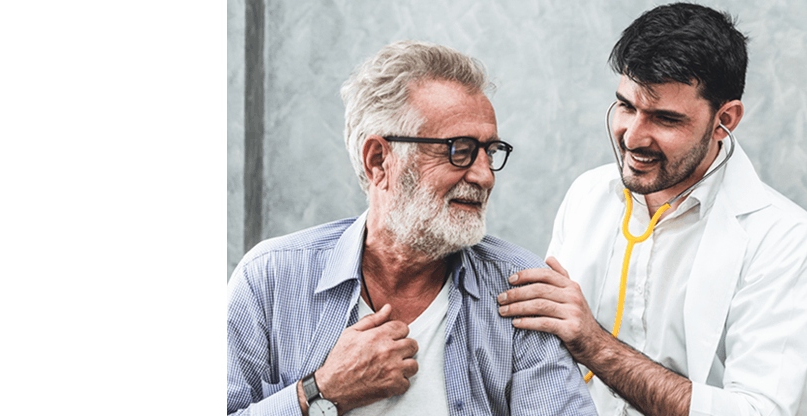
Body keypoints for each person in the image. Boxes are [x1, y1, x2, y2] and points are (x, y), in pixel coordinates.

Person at [227, 40, 595, 415]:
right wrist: (322, 391)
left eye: (491, 151)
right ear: (378, 160)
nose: (485, 176)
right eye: (459, 149)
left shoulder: (519, 292)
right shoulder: (270, 278)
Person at [497, 3, 807, 416]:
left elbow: (760, 411)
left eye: (665, 118)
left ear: (724, 120)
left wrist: (594, 344)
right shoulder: (588, 194)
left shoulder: (785, 240)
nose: (634, 137)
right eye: (626, 106)